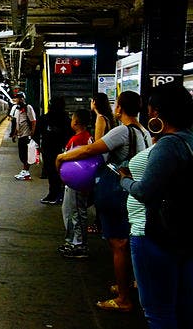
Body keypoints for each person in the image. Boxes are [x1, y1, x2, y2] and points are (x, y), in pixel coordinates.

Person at [56, 91, 150, 312]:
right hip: (133, 192)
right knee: (129, 241)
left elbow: (91, 149)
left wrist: (62, 157)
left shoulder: (122, 130)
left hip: (117, 191)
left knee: (118, 245)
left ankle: (123, 299)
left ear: (120, 108)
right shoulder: (144, 131)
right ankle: (129, 284)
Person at [119, 84, 193, 328]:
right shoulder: (189, 139)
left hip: (159, 236)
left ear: (158, 112)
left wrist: (125, 180)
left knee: (158, 311)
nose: (148, 114)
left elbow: (145, 191)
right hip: (185, 232)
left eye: (150, 110)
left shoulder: (168, 145)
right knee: (183, 307)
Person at [57, 109, 93, 258]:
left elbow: (67, 159)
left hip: (75, 181)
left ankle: (79, 245)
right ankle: (73, 242)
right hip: (81, 179)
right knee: (72, 210)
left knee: (75, 212)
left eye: (72, 119)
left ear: (76, 122)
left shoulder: (77, 140)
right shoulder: (88, 137)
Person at [88, 93, 117, 234]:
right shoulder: (109, 118)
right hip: (109, 158)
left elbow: (98, 142)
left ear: (95, 102)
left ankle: (99, 224)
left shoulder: (100, 118)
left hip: (101, 159)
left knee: (98, 191)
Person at [37, 96, 72, 204]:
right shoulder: (67, 119)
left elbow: (38, 132)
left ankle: (53, 194)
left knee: (52, 174)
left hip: (48, 150)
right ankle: (61, 195)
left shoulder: (45, 119)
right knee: (61, 173)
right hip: (63, 151)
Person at [12, 92, 37, 181]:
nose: (16, 100)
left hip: (26, 135)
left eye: (18, 98)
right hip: (20, 135)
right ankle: (25, 172)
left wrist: (32, 133)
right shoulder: (17, 109)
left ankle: (26, 172)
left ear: (22, 99)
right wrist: (14, 134)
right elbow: (17, 123)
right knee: (22, 155)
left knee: (26, 155)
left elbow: (33, 121)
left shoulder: (28, 107)